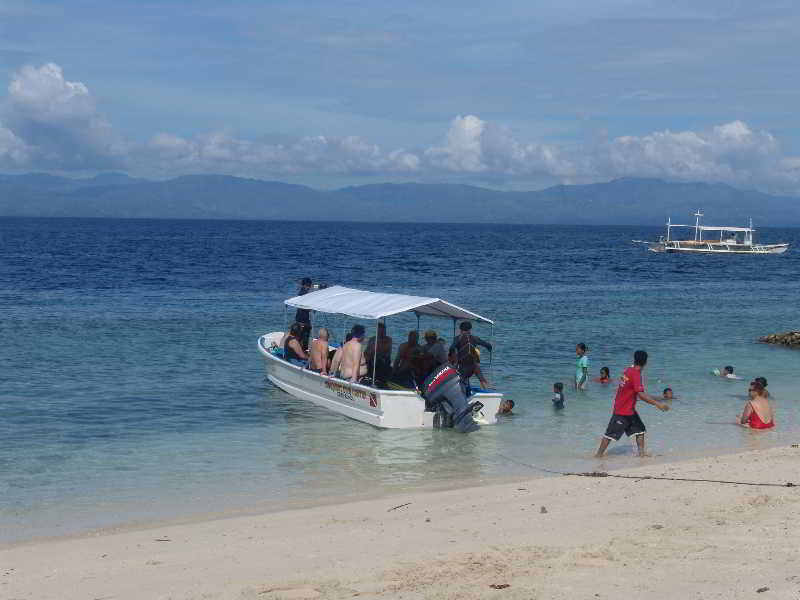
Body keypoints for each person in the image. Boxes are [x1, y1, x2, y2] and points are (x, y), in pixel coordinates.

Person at [595, 350, 670, 458]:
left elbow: (629, 390)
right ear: (645, 362)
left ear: (634, 359)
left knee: (640, 430)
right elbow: (641, 395)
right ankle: (598, 456)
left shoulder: (628, 370)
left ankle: (641, 454)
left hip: (628, 409)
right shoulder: (636, 375)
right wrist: (658, 404)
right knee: (610, 435)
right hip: (622, 411)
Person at [450, 321, 492, 389]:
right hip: (474, 366)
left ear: (460, 329)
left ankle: (463, 393)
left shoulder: (457, 338)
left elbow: (451, 348)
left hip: (462, 366)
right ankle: (487, 391)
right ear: (470, 329)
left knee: (461, 382)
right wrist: (489, 348)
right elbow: (488, 345)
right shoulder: (475, 338)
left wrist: (453, 359)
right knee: (481, 378)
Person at [294, 277, 313, 349]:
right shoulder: (304, 294)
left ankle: (301, 348)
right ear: (305, 285)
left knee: (300, 335)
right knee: (304, 336)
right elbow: (305, 307)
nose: (309, 287)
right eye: (308, 286)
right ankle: (303, 349)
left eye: (309, 286)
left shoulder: (301, 292)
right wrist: (311, 309)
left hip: (300, 317)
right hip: (302, 318)